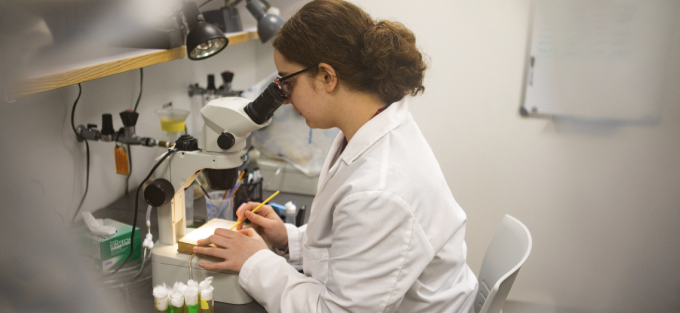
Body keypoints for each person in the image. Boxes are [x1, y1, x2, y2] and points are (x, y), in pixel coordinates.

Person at [192, 0, 478, 311]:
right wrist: (290, 239)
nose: (284, 100)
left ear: (327, 76)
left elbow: (338, 310)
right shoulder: (372, 127)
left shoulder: (381, 188)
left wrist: (255, 261)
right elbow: (359, 245)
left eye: (287, 82)